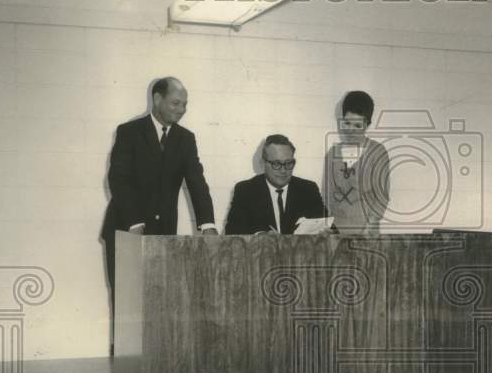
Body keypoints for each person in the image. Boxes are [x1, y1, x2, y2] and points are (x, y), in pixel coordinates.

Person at [100, 77, 217, 306]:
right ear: (157, 99)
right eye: (175, 103)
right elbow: (119, 179)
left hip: (163, 233)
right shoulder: (129, 132)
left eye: (185, 104)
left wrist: (208, 225)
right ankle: (119, 345)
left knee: (160, 303)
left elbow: (197, 182)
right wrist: (135, 222)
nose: (181, 110)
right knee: (127, 302)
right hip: (125, 229)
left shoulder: (186, 138)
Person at [224, 134, 326, 235]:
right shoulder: (245, 190)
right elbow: (232, 232)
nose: (283, 170)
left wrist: (327, 233)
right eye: (276, 164)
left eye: (288, 163)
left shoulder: (308, 189)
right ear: (263, 163)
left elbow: (330, 227)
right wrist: (260, 237)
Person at [323, 91, 390, 236]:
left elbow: (382, 196)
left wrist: (369, 227)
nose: (350, 130)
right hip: (337, 230)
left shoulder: (378, 152)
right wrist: (327, 225)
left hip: (366, 230)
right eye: (347, 123)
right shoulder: (332, 154)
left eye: (357, 125)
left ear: (368, 124)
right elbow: (327, 194)